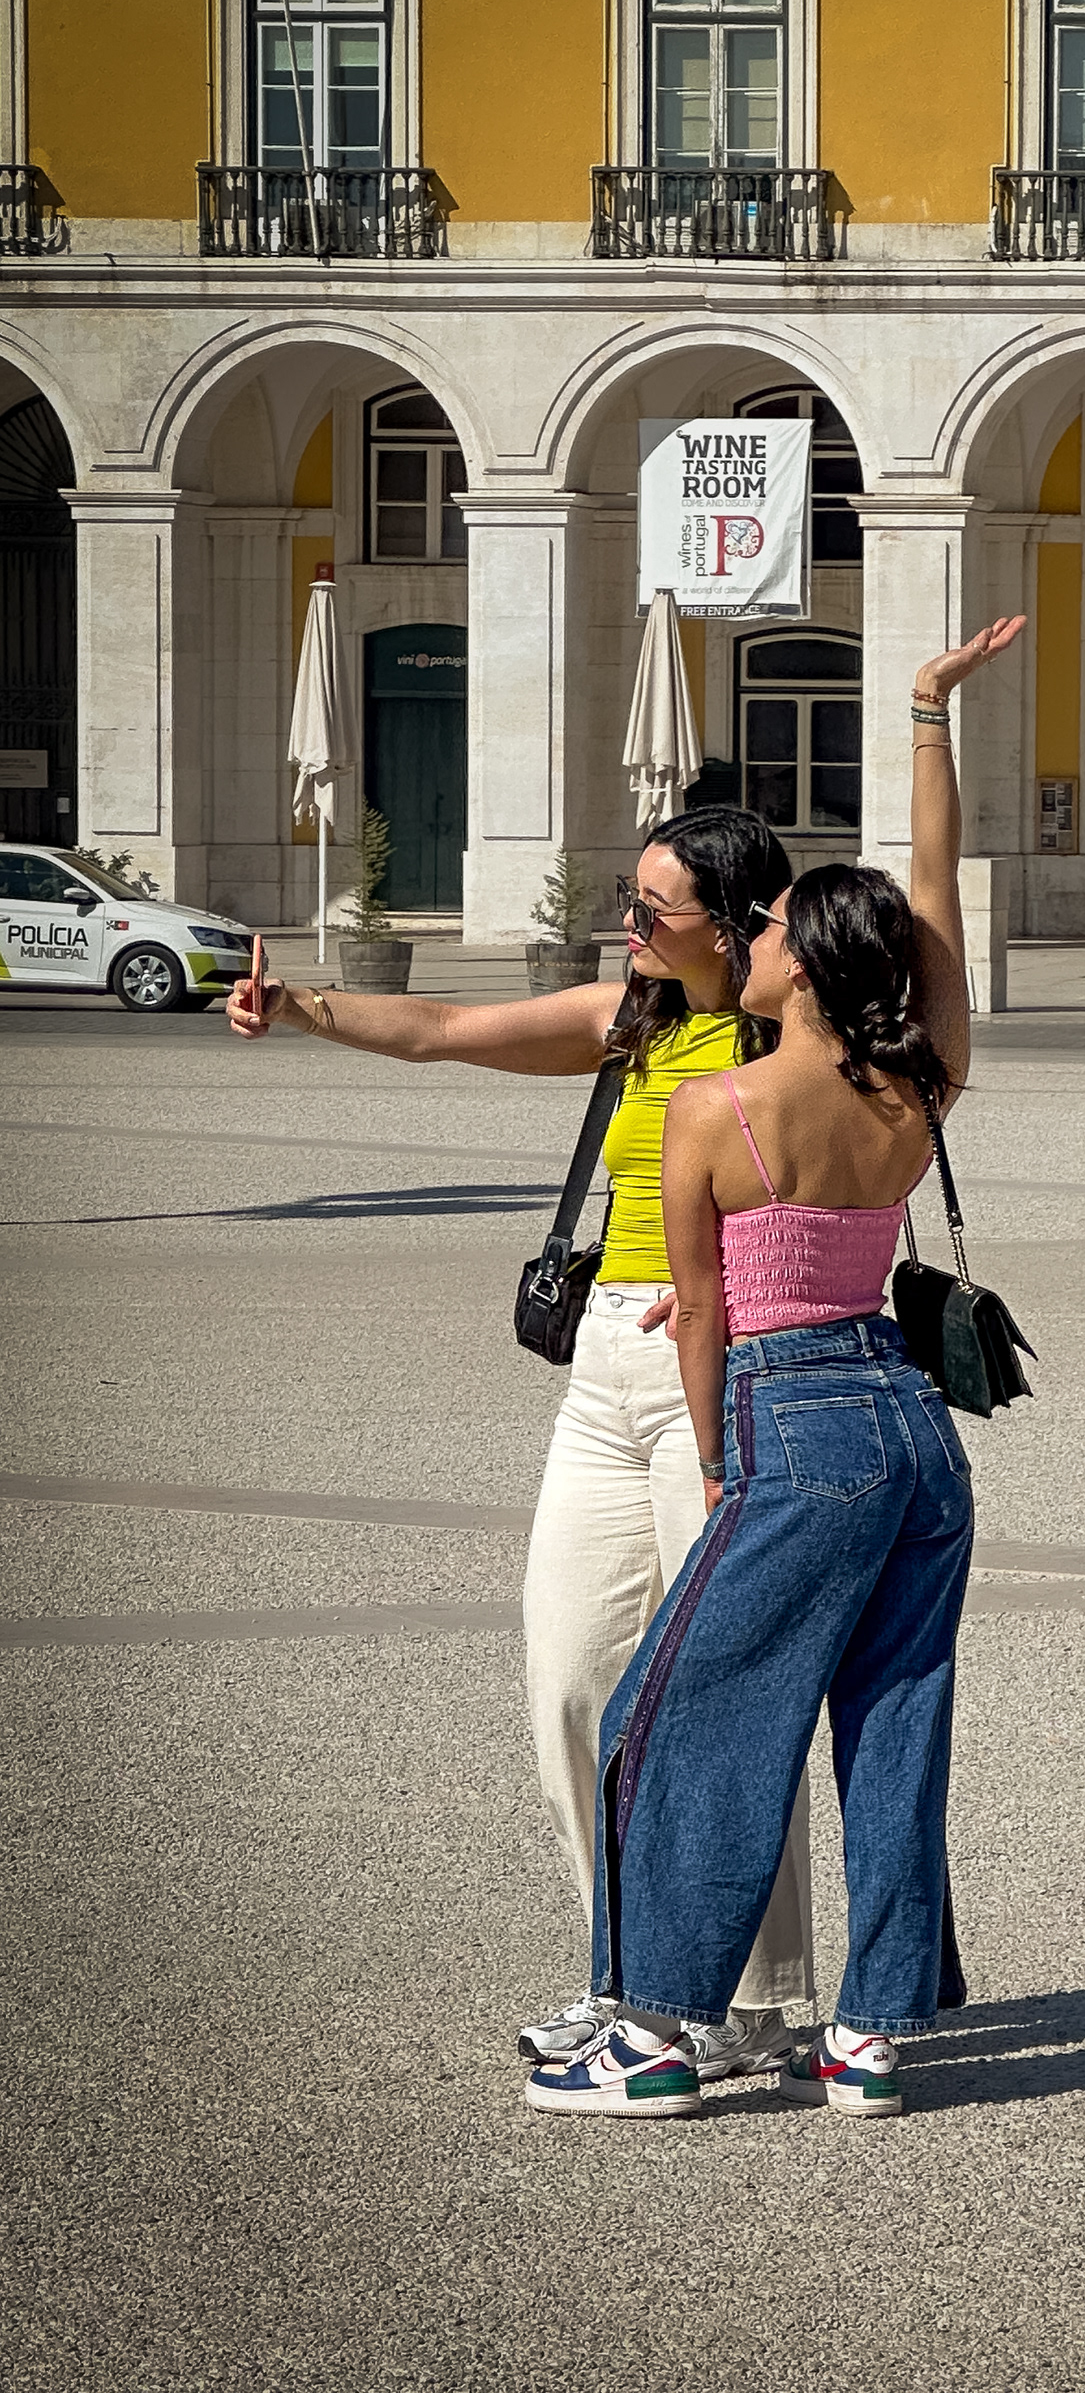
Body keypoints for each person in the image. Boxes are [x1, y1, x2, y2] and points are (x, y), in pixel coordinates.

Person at [525, 613, 1025, 2126]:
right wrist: (927, 717)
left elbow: (700, 1318)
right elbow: (934, 901)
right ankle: (871, 2036)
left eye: (760, 932)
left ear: (802, 967)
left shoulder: (714, 1109)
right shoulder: (921, 1076)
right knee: (894, 1719)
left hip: (792, 1417)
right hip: (916, 1429)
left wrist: (723, 1452)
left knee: (672, 1719)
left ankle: (659, 2031)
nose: (739, 944)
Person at [225, 807, 814, 2080]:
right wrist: (303, 1008)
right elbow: (440, 1032)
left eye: (654, 907)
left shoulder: (795, 1039)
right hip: (605, 1369)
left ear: (735, 923)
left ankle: (752, 2002)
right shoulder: (629, 1018)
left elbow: (859, 1163)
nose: (630, 922)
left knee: (720, 1698)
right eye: (628, 895)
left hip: (724, 1359)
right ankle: (629, 1977)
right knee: (571, 1681)